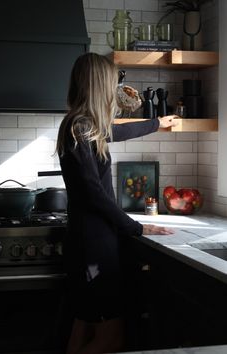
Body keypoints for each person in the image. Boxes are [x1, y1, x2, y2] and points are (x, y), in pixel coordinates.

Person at [56, 52, 178, 354]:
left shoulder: (82, 125)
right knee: (111, 337)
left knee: (84, 326)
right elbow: (94, 195)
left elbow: (118, 131)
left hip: (88, 242)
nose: (114, 89)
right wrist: (136, 227)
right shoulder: (79, 128)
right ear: (99, 85)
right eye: (112, 83)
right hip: (93, 246)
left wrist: (157, 122)